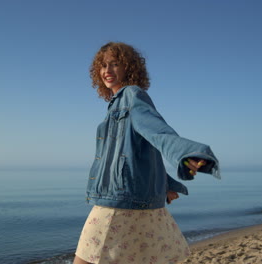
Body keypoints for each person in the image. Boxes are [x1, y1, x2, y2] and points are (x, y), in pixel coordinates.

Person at [74, 42, 220, 264]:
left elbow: (157, 131)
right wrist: (165, 183)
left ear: (129, 67)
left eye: (115, 64)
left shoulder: (132, 95)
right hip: (134, 199)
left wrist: (187, 153)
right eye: (103, 65)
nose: (107, 71)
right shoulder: (116, 104)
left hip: (117, 202)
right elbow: (146, 149)